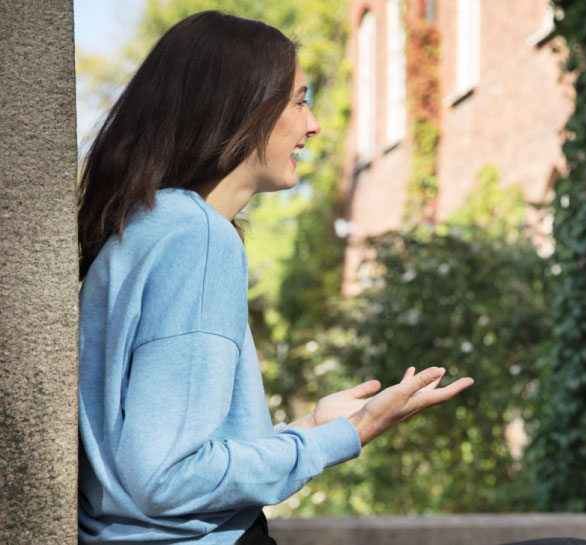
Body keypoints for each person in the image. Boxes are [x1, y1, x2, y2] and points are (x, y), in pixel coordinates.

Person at [76, 12, 473, 544]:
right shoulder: (198, 238)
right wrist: (352, 433)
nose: (313, 126)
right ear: (239, 108)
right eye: (300, 101)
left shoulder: (145, 226)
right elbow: (164, 479)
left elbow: (154, 458)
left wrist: (313, 425)